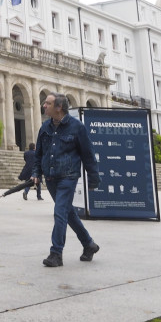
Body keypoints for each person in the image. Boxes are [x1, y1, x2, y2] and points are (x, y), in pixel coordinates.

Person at [33, 93, 101, 267]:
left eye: (47, 103)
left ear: (59, 107)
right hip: (51, 176)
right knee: (67, 213)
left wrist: (93, 178)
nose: (43, 105)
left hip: (68, 176)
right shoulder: (44, 127)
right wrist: (36, 173)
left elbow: (88, 153)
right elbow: (39, 153)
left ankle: (56, 253)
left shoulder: (76, 127)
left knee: (60, 212)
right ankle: (89, 244)